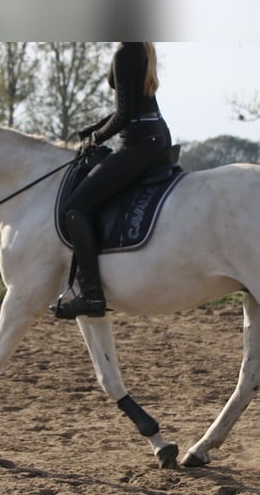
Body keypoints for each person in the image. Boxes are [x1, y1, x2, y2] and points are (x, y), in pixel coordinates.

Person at [53, 42, 172, 319]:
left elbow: (124, 114)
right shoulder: (141, 47)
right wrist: (93, 129)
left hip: (139, 143)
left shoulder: (125, 52)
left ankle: (92, 294)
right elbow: (130, 104)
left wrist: (96, 138)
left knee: (76, 209)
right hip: (154, 135)